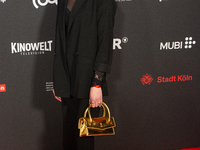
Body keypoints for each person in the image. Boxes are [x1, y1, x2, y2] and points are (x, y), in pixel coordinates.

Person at [52, 0, 117, 149]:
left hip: (87, 80)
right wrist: (58, 78)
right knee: (68, 138)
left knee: (84, 140)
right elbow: (60, 40)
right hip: (67, 79)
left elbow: (105, 42)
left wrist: (97, 82)